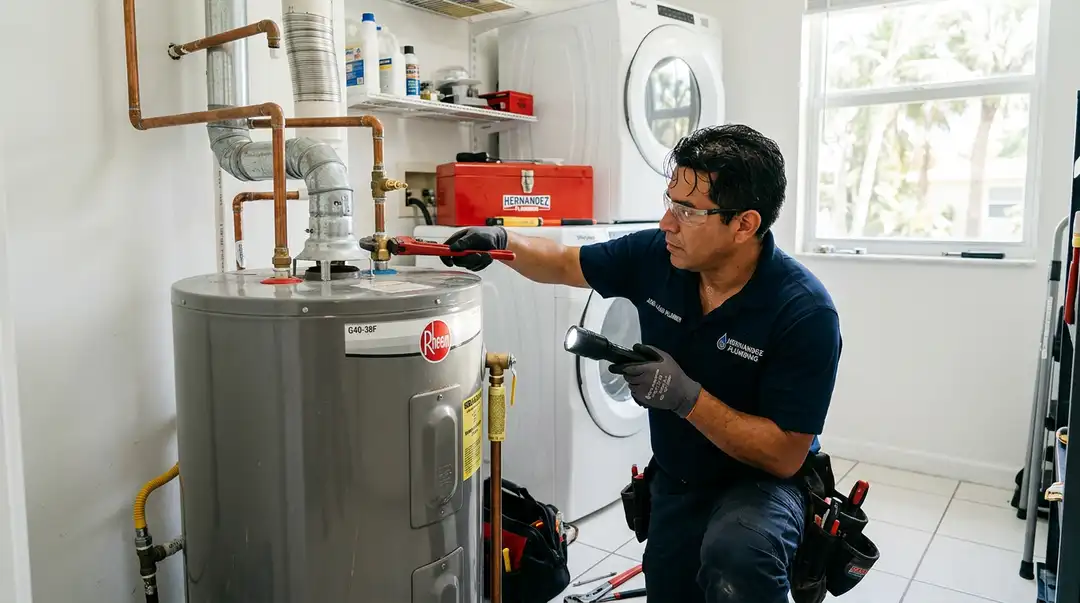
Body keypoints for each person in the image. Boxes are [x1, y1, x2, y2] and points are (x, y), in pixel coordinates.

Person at [440, 124, 842, 603]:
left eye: (688, 212)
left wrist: (686, 398)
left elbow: (784, 454)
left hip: (762, 486)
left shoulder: (803, 312)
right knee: (672, 589)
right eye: (670, 202)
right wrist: (501, 240)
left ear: (744, 224)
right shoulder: (658, 256)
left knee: (738, 566)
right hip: (679, 476)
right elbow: (565, 263)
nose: (667, 223)